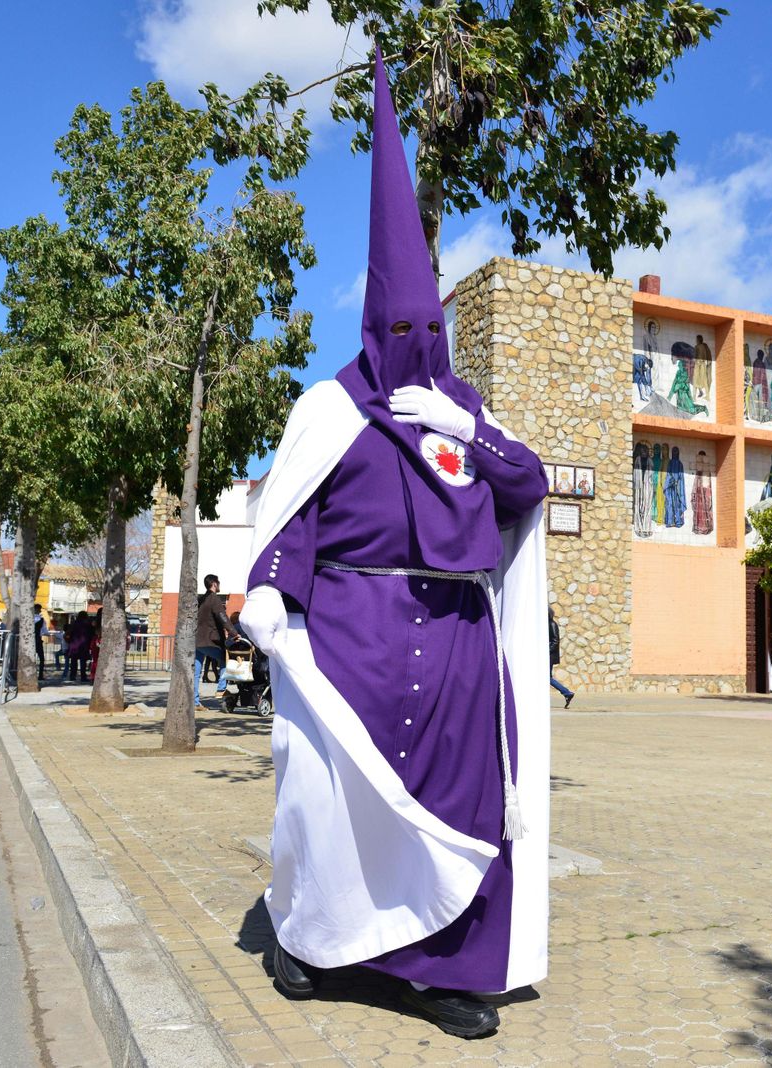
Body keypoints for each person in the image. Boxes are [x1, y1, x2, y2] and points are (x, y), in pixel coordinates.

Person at [236, 50, 549, 1040]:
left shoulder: (461, 408)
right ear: (373, 320)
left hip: (457, 638)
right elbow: (291, 520)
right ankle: (312, 942)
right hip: (351, 633)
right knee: (331, 806)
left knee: (457, 802)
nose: (414, 335)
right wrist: (272, 593)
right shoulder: (326, 408)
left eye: (428, 322)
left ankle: (444, 970)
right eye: (397, 321)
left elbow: (527, 486)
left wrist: (467, 430)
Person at [193, 574, 232, 710]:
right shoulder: (214, 599)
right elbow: (223, 617)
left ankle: (195, 702)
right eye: (219, 582)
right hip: (209, 640)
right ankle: (221, 689)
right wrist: (234, 633)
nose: (219, 584)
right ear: (214, 584)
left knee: (196, 672)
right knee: (226, 660)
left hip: (197, 640)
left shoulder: (201, 599)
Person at [549, 606, 574, 708]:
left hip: (549, 656)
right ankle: (566, 693)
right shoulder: (545, 625)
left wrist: (546, 652)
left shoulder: (552, 624)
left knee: (546, 678)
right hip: (547, 655)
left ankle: (566, 692)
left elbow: (555, 641)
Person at [32, 604, 47, 681]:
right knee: (41, 659)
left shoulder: (29, 618)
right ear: (39, 610)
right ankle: (40, 675)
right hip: (38, 640)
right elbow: (44, 631)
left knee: (31, 658)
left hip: (30, 641)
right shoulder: (41, 620)